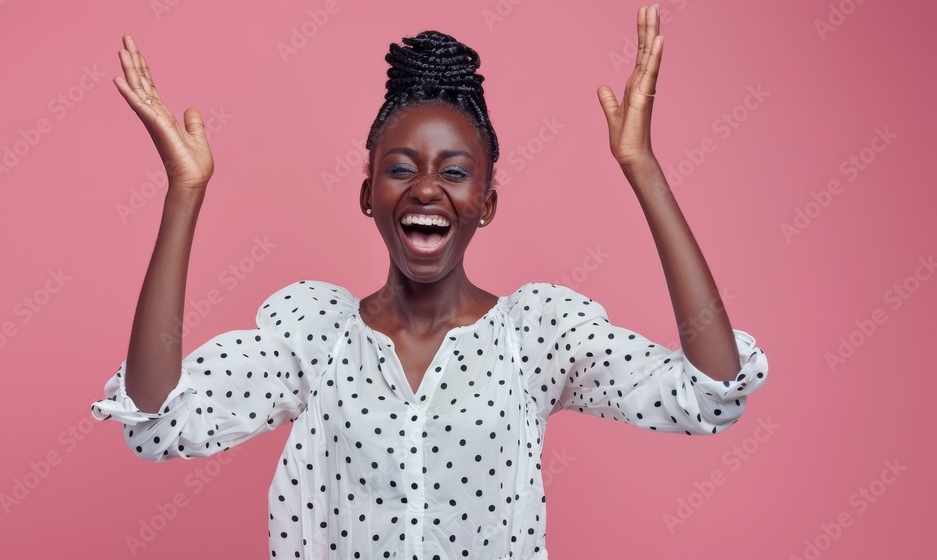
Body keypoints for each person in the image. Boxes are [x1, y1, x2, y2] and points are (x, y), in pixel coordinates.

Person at [91, 5, 769, 559]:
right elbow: (157, 419)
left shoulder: (535, 339)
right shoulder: (313, 338)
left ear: (487, 201)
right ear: (366, 193)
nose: (425, 188)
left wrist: (642, 167)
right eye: (401, 168)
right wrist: (184, 194)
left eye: (453, 171)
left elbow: (709, 395)